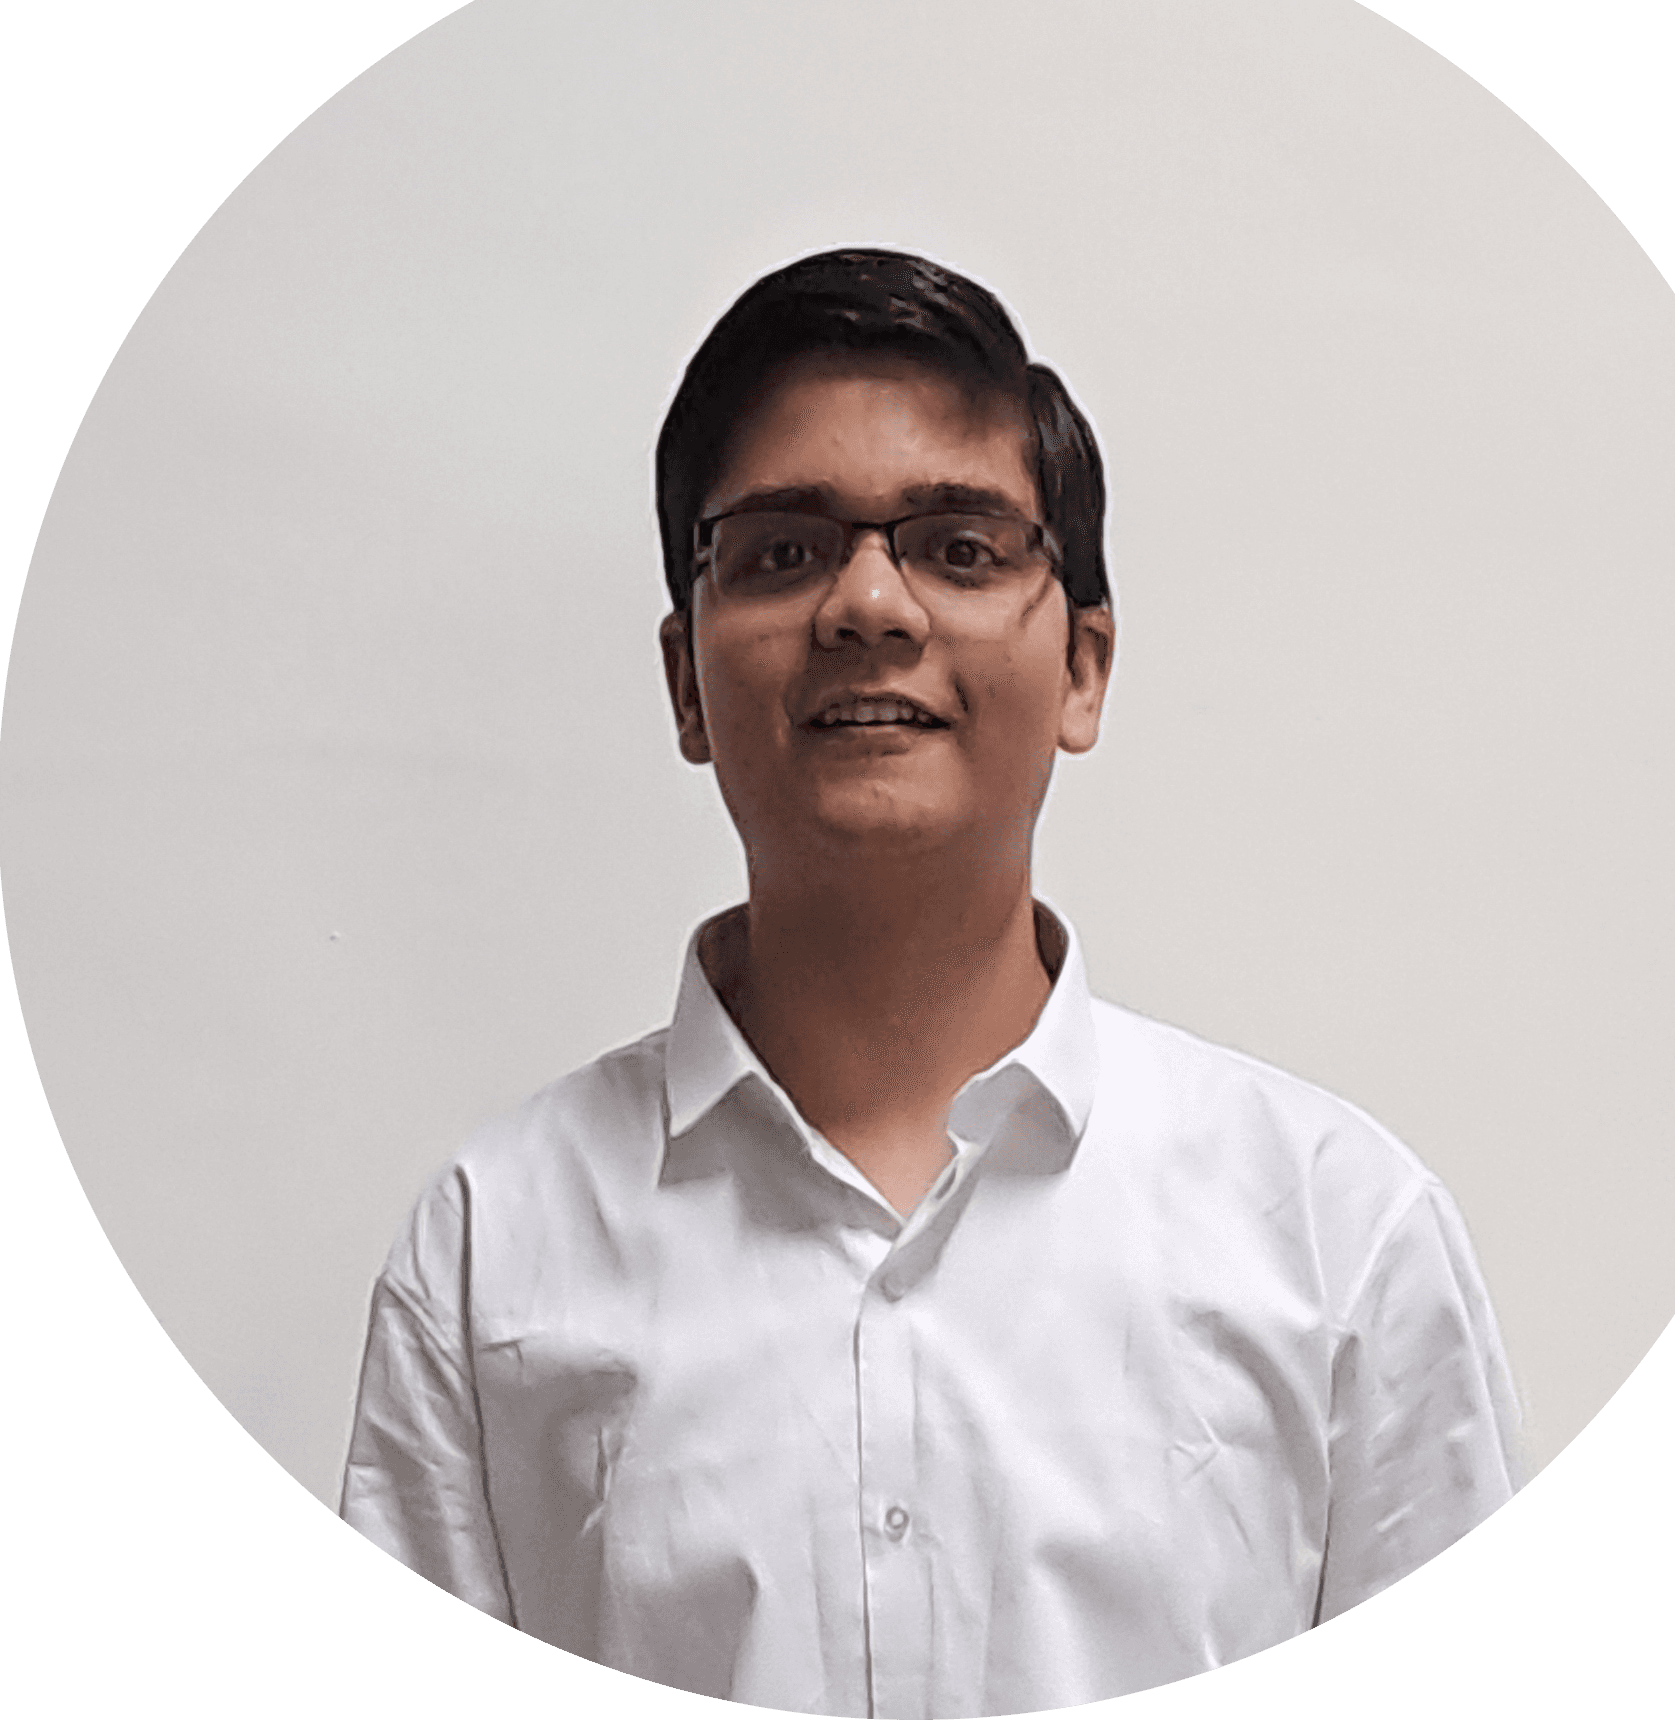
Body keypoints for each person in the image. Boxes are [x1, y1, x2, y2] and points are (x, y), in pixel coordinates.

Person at [340, 249, 1520, 1716]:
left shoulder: (1338, 1237)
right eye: (783, 552)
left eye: (960, 549)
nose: (869, 605)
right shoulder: (493, 1249)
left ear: (1083, 667)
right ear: (688, 683)